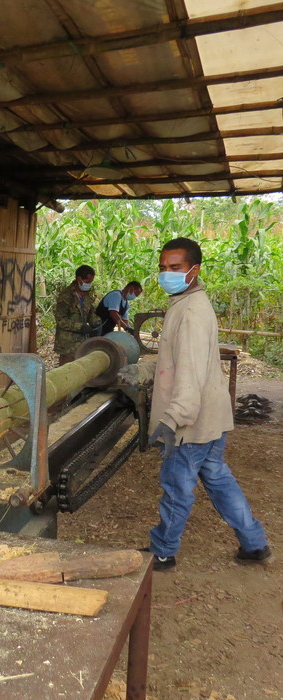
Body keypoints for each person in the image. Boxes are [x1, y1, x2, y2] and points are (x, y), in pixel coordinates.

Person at [144, 237, 271, 571]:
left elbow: (189, 372)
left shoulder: (191, 313)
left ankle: (163, 551)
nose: (166, 273)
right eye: (162, 267)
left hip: (191, 422)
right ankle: (254, 543)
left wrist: (172, 421)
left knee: (177, 486)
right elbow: (180, 359)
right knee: (218, 478)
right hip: (212, 416)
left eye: (175, 268)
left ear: (194, 270)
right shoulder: (189, 304)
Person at [53, 264, 99, 366]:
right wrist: (80, 327)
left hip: (82, 343)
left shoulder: (86, 294)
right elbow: (61, 320)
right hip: (68, 345)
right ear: (79, 279)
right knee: (67, 373)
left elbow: (90, 311)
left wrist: (96, 322)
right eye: (87, 282)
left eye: (91, 282)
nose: (89, 284)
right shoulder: (66, 296)